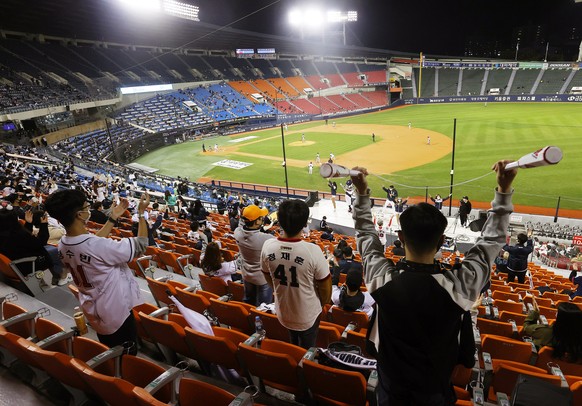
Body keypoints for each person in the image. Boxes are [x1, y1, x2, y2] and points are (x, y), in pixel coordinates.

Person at [350, 160, 517, 404]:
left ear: (400, 237)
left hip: (389, 390)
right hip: (434, 393)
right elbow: (490, 244)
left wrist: (362, 193)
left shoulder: (380, 279)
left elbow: (365, 235)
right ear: (441, 243)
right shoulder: (460, 286)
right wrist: (503, 191)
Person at [45, 190, 151, 352]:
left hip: (94, 310)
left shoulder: (63, 244)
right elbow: (142, 244)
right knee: (126, 357)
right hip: (116, 313)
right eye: (87, 207)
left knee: (110, 350)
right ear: (80, 215)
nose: (89, 210)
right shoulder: (98, 247)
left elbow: (93, 244)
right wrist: (142, 213)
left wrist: (113, 217)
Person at [261, 199, 331, 348]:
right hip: (308, 314)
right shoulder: (313, 250)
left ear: (279, 221)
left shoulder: (268, 246)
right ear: (305, 223)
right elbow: (326, 291)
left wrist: (281, 290)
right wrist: (320, 304)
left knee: (293, 341)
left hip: (283, 310)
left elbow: (267, 276)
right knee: (306, 349)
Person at [0, 203, 69, 286]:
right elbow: (40, 243)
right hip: (27, 265)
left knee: (50, 250)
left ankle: (56, 274)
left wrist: (29, 223)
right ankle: (61, 275)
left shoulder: (7, 234)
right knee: (53, 251)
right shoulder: (18, 235)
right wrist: (44, 225)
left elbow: (24, 241)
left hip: (15, 265)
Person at [234, 205, 275, 306]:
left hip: (246, 275)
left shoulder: (237, 233)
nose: (262, 219)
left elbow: (241, 226)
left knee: (248, 301)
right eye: (261, 218)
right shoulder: (266, 238)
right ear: (256, 222)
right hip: (262, 278)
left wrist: (245, 214)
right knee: (264, 307)